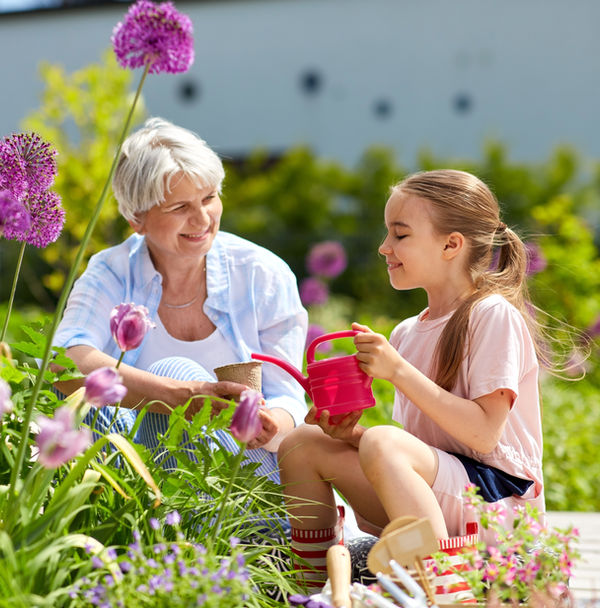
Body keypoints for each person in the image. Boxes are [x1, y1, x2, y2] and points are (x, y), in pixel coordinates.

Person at [278, 169, 549, 590]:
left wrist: (397, 373)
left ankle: (446, 590)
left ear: (451, 244)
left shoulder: (492, 315)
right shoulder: (407, 332)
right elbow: (425, 453)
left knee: (383, 440)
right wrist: (351, 435)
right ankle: (315, 589)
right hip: (440, 503)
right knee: (302, 443)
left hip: (498, 505)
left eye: (400, 235)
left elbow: (481, 435)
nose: (384, 247)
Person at [53, 117, 308, 483]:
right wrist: (183, 395)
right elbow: (63, 361)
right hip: (140, 478)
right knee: (100, 401)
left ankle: (203, 536)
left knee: (169, 374)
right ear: (135, 218)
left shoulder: (261, 274)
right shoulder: (110, 271)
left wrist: (270, 424)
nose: (202, 219)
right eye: (179, 208)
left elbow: (288, 396)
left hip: (244, 479)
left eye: (209, 198)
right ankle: (176, 534)